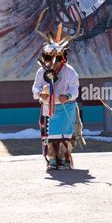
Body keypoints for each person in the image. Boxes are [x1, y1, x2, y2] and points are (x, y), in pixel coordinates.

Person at [32, 10, 84, 170]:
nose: (53, 62)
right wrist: (40, 93)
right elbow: (36, 87)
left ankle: (65, 159)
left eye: (57, 58)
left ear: (63, 58)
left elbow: (75, 90)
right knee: (50, 136)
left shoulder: (69, 71)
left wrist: (67, 96)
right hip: (49, 108)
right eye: (49, 58)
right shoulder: (42, 71)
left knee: (65, 136)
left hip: (66, 108)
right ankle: (52, 159)